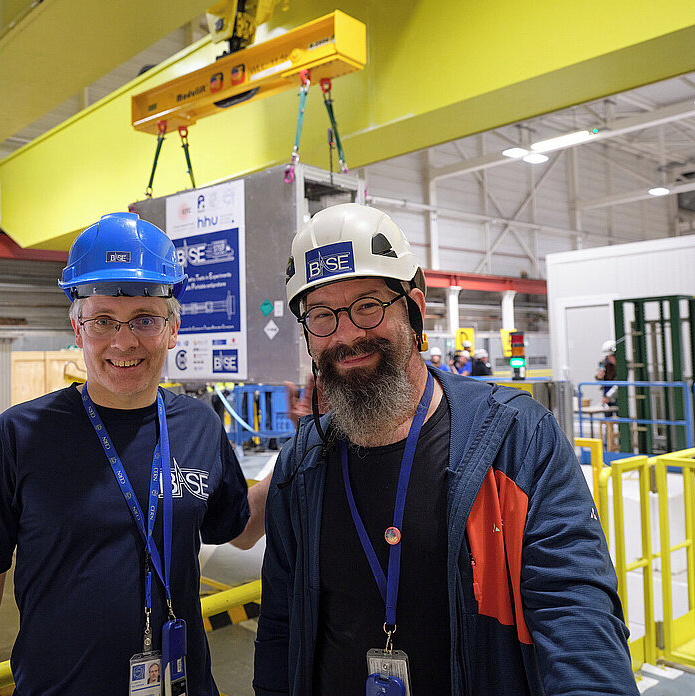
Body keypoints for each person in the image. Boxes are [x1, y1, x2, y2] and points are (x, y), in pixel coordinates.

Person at [254, 203, 636, 696]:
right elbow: (281, 626)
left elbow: (576, 617)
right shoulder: (302, 463)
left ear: (414, 308)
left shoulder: (515, 439)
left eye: (368, 305)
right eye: (322, 315)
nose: (346, 335)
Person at [0, 212, 268, 696]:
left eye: (145, 319)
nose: (123, 341)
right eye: (103, 321)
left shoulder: (199, 426)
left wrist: (303, 457)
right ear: (78, 328)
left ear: (173, 328)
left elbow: (239, 530)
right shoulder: (17, 437)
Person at [596, 340, 618, 407]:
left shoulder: (621, 366)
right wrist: (599, 377)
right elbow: (600, 378)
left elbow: (619, 383)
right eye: (607, 357)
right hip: (607, 391)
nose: (609, 359)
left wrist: (609, 397)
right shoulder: (604, 363)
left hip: (617, 394)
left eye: (611, 356)